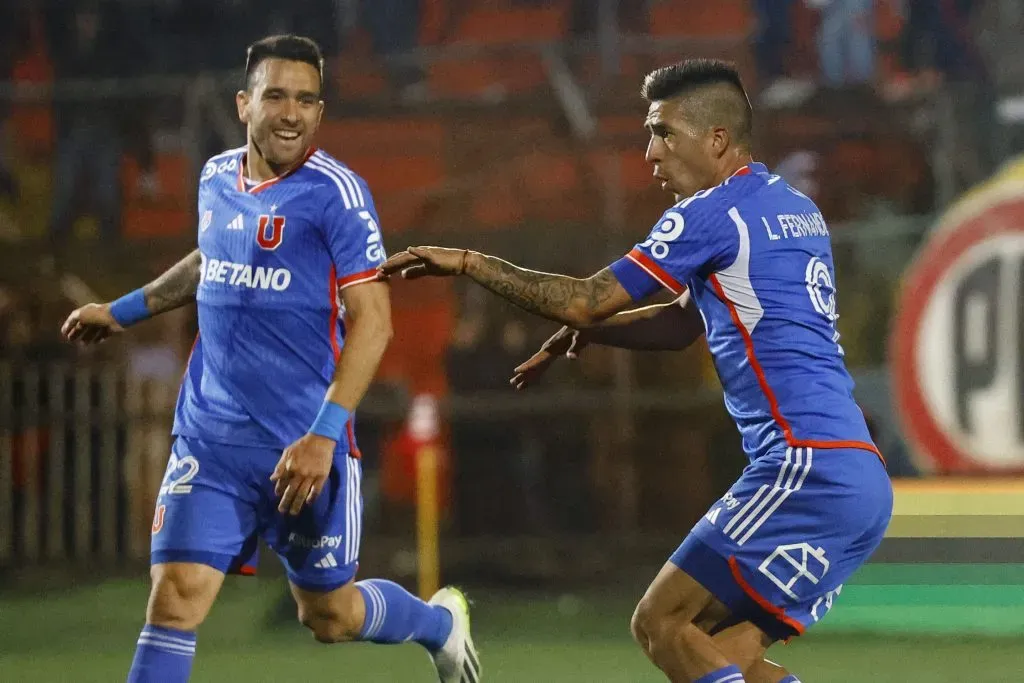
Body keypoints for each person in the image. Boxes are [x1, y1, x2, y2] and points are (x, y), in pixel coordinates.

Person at [379, 58, 892, 683]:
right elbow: (682, 323)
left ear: (717, 140)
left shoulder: (712, 212)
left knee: (659, 622)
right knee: (717, 646)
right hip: (857, 476)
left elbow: (585, 297)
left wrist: (466, 261)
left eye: (664, 132)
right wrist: (589, 336)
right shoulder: (792, 208)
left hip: (801, 467)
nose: (650, 152)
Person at [60, 34, 479, 683]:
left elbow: (375, 322)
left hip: (303, 449)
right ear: (243, 103)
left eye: (307, 100)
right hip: (213, 436)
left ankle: (438, 626)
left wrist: (322, 434)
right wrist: (122, 311)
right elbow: (210, 261)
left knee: (328, 615)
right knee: (174, 597)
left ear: (319, 112)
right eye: (276, 95)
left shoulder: (337, 194)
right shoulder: (212, 178)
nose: (291, 112)